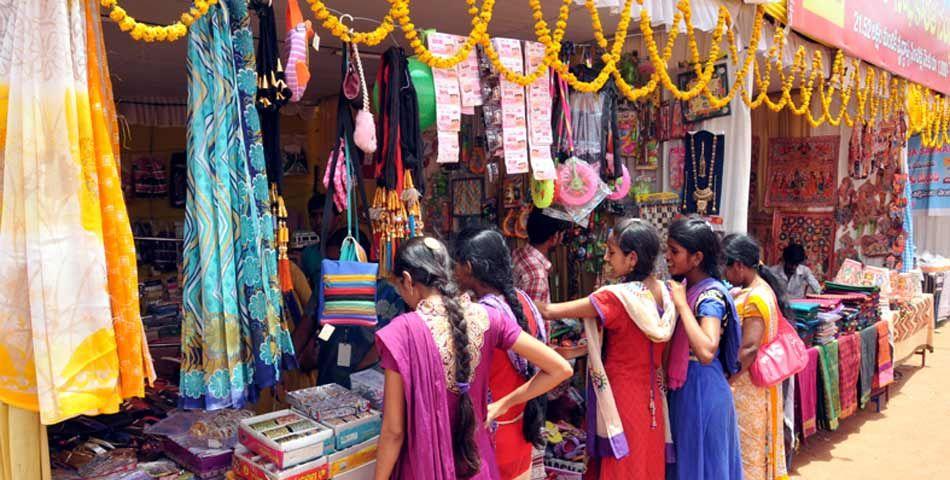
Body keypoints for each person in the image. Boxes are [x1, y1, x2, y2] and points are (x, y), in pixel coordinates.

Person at [374, 237, 573, 480]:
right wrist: (503, 404)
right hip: (479, 465)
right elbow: (560, 369)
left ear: (407, 280)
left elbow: (394, 431)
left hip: (424, 469)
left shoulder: (401, 332)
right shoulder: (489, 317)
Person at [539, 219, 675, 480]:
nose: (607, 258)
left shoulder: (616, 297)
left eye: (612, 252)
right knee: (644, 461)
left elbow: (549, 310)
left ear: (632, 258)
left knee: (620, 464)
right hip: (652, 396)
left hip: (619, 395)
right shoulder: (666, 293)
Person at [453, 227, 548, 480]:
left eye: (457, 265)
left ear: (469, 267)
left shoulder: (483, 316)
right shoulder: (523, 302)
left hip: (492, 440)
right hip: (520, 432)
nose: (454, 272)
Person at [664, 217, 743, 480]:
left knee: (702, 466)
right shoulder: (692, 289)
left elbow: (707, 351)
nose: (667, 257)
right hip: (689, 387)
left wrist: (682, 306)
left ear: (696, 257)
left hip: (701, 389)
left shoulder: (710, 296)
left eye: (674, 251)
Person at [723, 234, 790, 480]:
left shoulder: (755, 297)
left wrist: (727, 377)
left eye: (726, 266)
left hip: (746, 387)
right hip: (755, 383)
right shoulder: (759, 290)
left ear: (739, 265)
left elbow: (749, 347)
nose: (724, 272)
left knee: (747, 451)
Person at [512, 209, 571, 304]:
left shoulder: (519, 253)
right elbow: (531, 316)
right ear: (555, 237)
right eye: (562, 235)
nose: (561, 240)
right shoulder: (537, 276)